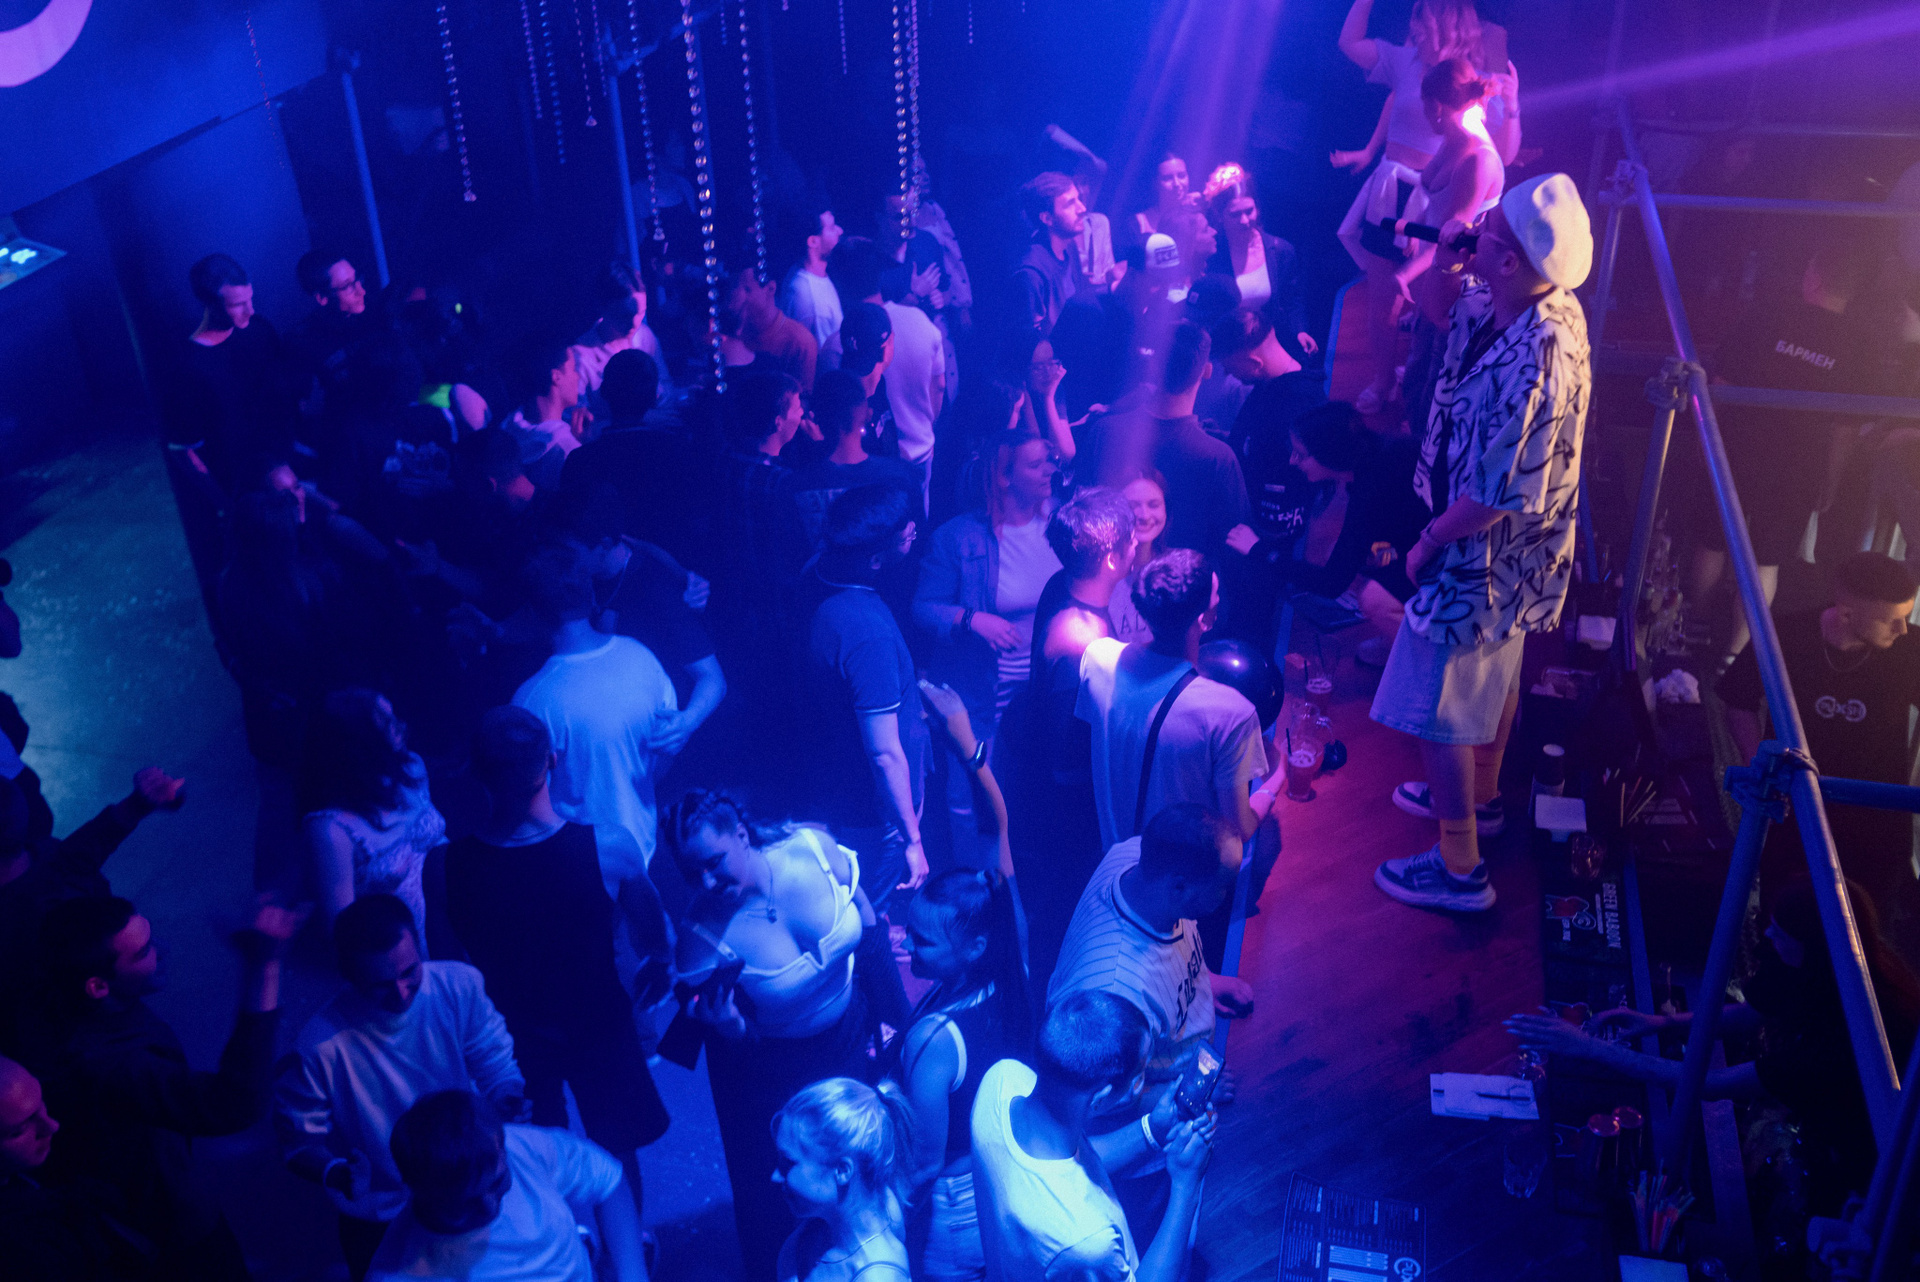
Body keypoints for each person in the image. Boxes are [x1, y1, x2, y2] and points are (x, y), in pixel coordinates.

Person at [1370, 172, 1592, 912]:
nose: (1471, 228)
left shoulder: (1541, 356)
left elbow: (1500, 493)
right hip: (1501, 549)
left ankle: (1459, 863)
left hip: (1485, 550)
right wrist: (1446, 264)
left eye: (1486, 229)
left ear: (1508, 259)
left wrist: (1428, 542)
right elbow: (1440, 312)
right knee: (1492, 679)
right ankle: (1485, 799)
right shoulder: (1519, 298)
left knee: (1440, 707)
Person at [1506, 876, 1920, 1214]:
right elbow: (1749, 1014)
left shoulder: (1841, 1041)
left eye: (1781, 932)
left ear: (1814, 947)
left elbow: (1708, 1084)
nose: (1768, 932)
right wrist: (1661, 1022)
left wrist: (1589, 1048)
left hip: (1864, 1159)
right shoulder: (1813, 966)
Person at [661, 790, 897, 1279]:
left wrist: (893, 1009)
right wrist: (730, 1026)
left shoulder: (812, 849)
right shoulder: (701, 939)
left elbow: (863, 908)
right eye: (691, 873)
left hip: (851, 1040)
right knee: (796, 1194)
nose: (706, 882)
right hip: (782, 1075)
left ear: (741, 835)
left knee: (856, 1167)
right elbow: (738, 1050)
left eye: (714, 862)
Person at [23, 895, 297, 1280]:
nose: (162, 951)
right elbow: (234, 1105)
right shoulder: (108, 1063)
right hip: (168, 1240)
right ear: (97, 986)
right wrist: (263, 966)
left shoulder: (66, 1003)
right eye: (143, 952)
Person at [275, 893, 528, 1280]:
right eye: (380, 984)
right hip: (382, 1217)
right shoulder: (318, 1046)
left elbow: (493, 1061)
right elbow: (298, 1143)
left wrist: (505, 1095)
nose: (401, 993)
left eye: (410, 972)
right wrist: (337, 1172)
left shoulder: (459, 985)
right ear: (348, 975)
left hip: (468, 1193)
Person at [1690, 243, 1878, 663]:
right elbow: (1845, 429)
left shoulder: (1768, 313)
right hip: (1798, 467)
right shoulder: (1858, 346)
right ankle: (1733, 657)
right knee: (1766, 561)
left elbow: (1719, 384)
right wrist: (1830, 482)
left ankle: (1691, 629)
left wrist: (1707, 442)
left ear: (1814, 276)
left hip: (1735, 449)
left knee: (1712, 543)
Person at [1720, 553, 1920, 934]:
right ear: (1845, 614)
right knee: (1785, 927)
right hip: (1797, 809)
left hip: (1877, 820)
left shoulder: (1911, 650)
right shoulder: (1786, 635)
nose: (1903, 629)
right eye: (1891, 619)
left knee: (1865, 933)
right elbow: (1737, 700)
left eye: (1907, 616)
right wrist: (1762, 766)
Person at [970, 989, 1215, 1282]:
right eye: (1140, 1074)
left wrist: (1153, 1130)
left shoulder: (1002, 1080)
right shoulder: (1087, 1239)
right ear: (1099, 1099)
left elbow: (1076, 1164)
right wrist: (1186, 1184)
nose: (1143, 1081)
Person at [1002, 489, 1138, 989]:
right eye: (1131, 539)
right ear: (1112, 558)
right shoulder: (1082, 639)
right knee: (1062, 922)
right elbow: (1063, 755)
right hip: (1061, 810)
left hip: (1045, 794)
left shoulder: (1063, 584)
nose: (1137, 544)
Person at [1334, 0, 1491, 414]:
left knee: (1429, 302)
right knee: (1382, 297)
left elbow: (1487, 148)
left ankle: (1422, 389)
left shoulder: (1465, 77)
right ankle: (1384, 381)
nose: (1413, 23)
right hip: (1392, 191)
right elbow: (1349, 43)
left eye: (1421, 15)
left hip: (1438, 196)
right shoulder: (1404, 61)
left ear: (1444, 21)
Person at [915, 433, 1062, 867]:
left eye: (1049, 461)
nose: (1049, 471)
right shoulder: (959, 538)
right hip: (981, 691)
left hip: (1041, 689)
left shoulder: (1061, 526)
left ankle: (1015, 877)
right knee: (970, 793)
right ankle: (973, 884)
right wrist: (971, 619)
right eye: (1036, 464)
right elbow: (923, 607)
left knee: (1024, 791)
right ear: (1003, 477)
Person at [1077, 551, 1277, 850]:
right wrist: (1275, 780)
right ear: (1205, 619)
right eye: (1216, 594)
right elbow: (1239, 829)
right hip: (1183, 871)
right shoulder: (1232, 714)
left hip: (1114, 859)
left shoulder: (1096, 658)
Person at [894, 869, 1031, 1280]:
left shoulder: (934, 1038)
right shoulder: (1013, 978)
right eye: (908, 931)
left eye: (923, 940)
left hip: (954, 1209)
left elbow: (923, 1167)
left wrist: (876, 1222)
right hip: (1002, 1180)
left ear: (975, 948)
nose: (906, 944)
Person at [511, 543, 680, 870]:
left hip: (575, 871)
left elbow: (525, 803)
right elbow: (668, 747)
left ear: (533, 613)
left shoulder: (531, 700)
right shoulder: (641, 658)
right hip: (646, 852)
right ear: (591, 596)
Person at [366, 1088, 649, 1282]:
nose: (489, 1207)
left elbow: (608, 1180)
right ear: (417, 1191)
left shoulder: (519, 1147)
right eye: (466, 1201)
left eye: (498, 1181)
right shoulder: (395, 1271)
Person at [801, 485, 931, 901]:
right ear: (875, 560)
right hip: (875, 808)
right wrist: (912, 838)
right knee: (866, 904)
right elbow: (883, 753)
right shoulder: (866, 631)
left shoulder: (816, 573)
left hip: (837, 779)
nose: (913, 532)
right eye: (905, 535)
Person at [1078, 320, 1252, 566]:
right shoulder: (1218, 458)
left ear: (1153, 367)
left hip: (1108, 576)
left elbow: (1081, 514)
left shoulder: (1104, 432)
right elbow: (1234, 545)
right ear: (1206, 371)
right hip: (1181, 586)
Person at [300, 688, 446, 940]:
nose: (400, 726)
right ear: (356, 743)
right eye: (386, 723)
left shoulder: (412, 769)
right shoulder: (331, 830)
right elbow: (341, 931)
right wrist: (374, 890)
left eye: (394, 715)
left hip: (456, 914)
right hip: (405, 945)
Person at [1384, 59, 1505, 303]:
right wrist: (1414, 228)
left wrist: (1403, 275)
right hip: (1428, 268)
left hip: (1456, 284)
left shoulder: (1478, 160)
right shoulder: (1454, 138)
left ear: (1436, 107)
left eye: (1423, 104)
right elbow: (1439, 206)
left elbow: (1449, 235)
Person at [771, 1078, 915, 1282]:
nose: (775, 1176)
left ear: (841, 1170)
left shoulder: (878, 1276)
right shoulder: (872, 1205)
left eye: (788, 1163)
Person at [788, 369, 926, 553]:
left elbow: (790, 555)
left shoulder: (794, 485)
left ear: (815, 416)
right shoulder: (902, 476)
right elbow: (919, 546)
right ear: (867, 414)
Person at [1200, 165, 1314, 362]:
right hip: (1228, 352)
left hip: (1271, 347)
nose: (1245, 220)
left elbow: (1292, 300)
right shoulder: (1212, 256)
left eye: (1249, 211)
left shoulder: (1280, 250)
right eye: (1235, 214)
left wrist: (1300, 331)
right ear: (1219, 216)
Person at [500, 341, 584, 490]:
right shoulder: (567, 450)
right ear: (556, 377)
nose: (577, 376)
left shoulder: (505, 433)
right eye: (573, 369)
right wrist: (583, 449)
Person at [1013, 173, 1090, 337]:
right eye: (1070, 204)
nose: (1082, 209)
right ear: (1047, 218)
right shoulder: (1031, 272)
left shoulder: (1070, 248)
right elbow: (1029, 341)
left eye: (1078, 199)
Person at [728, 268, 819, 392]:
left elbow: (801, 399)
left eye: (747, 290)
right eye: (734, 291)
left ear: (771, 288)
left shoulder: (800, 342)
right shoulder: (733, 332)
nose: (739, 298)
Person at [1110, 474, 1169, 644]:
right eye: (1132, 506)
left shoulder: (1175, 570)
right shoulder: (1100, 575)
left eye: (1154, 505)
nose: (1144, 515)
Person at [784, 201, 849, 348]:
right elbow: (825, 359)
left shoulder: (800, 271)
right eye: (832, 228)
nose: (840, 231)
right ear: (813, 241)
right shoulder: (814, 304)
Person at [1133, 153, 1199, 240]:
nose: (1176, 184)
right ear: (1155, 183)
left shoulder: (1198, 212)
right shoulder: (1141, 222)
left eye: (1181, 176)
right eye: (1168, 178)